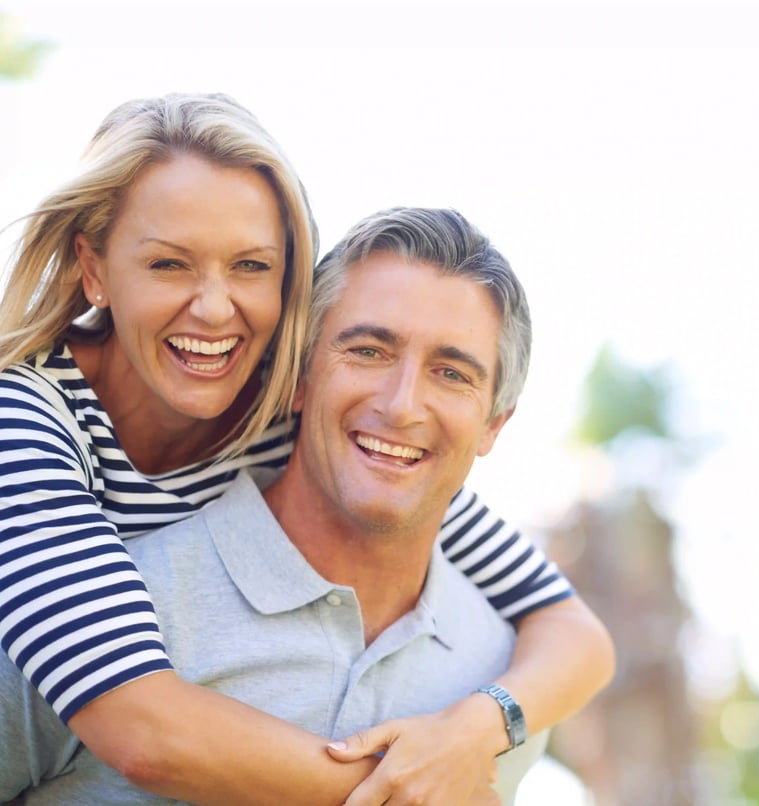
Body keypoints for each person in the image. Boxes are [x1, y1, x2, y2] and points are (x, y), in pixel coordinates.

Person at [0, 94, 615, 805]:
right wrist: (415, 787)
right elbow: (140, 729)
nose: (213, 307)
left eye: (251, 267)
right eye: (169, 264)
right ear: (96, 269)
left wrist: (475, 728)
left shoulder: (287, 409)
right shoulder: (23, 422)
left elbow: (571, 628)